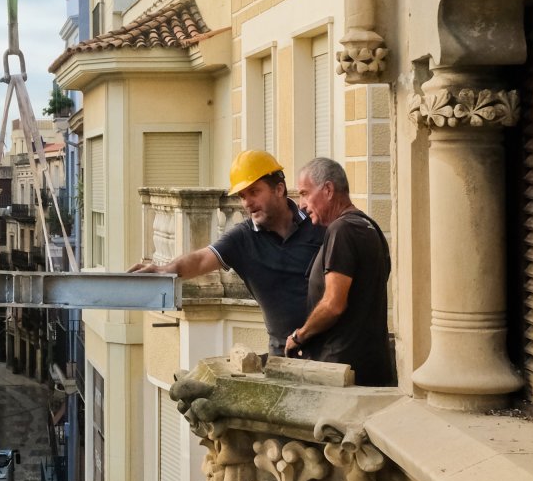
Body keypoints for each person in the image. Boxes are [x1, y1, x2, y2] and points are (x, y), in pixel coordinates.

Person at [130, 150, 324, 356]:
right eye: (242, 196)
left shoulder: (319, 225)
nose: (247, 203)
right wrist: (164, 270)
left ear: (279, 189)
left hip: (331, 352)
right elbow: (201, 259)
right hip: (285, 355)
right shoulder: (242, 238)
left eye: (254, 192)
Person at [285, 157, 395, 386]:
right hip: (372, 370)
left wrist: (299, 336)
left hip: (343, 374)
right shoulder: (371, 228)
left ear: (327, 189)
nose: (301, 205)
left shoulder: (342, 229)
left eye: (305, 193)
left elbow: (333, 305)